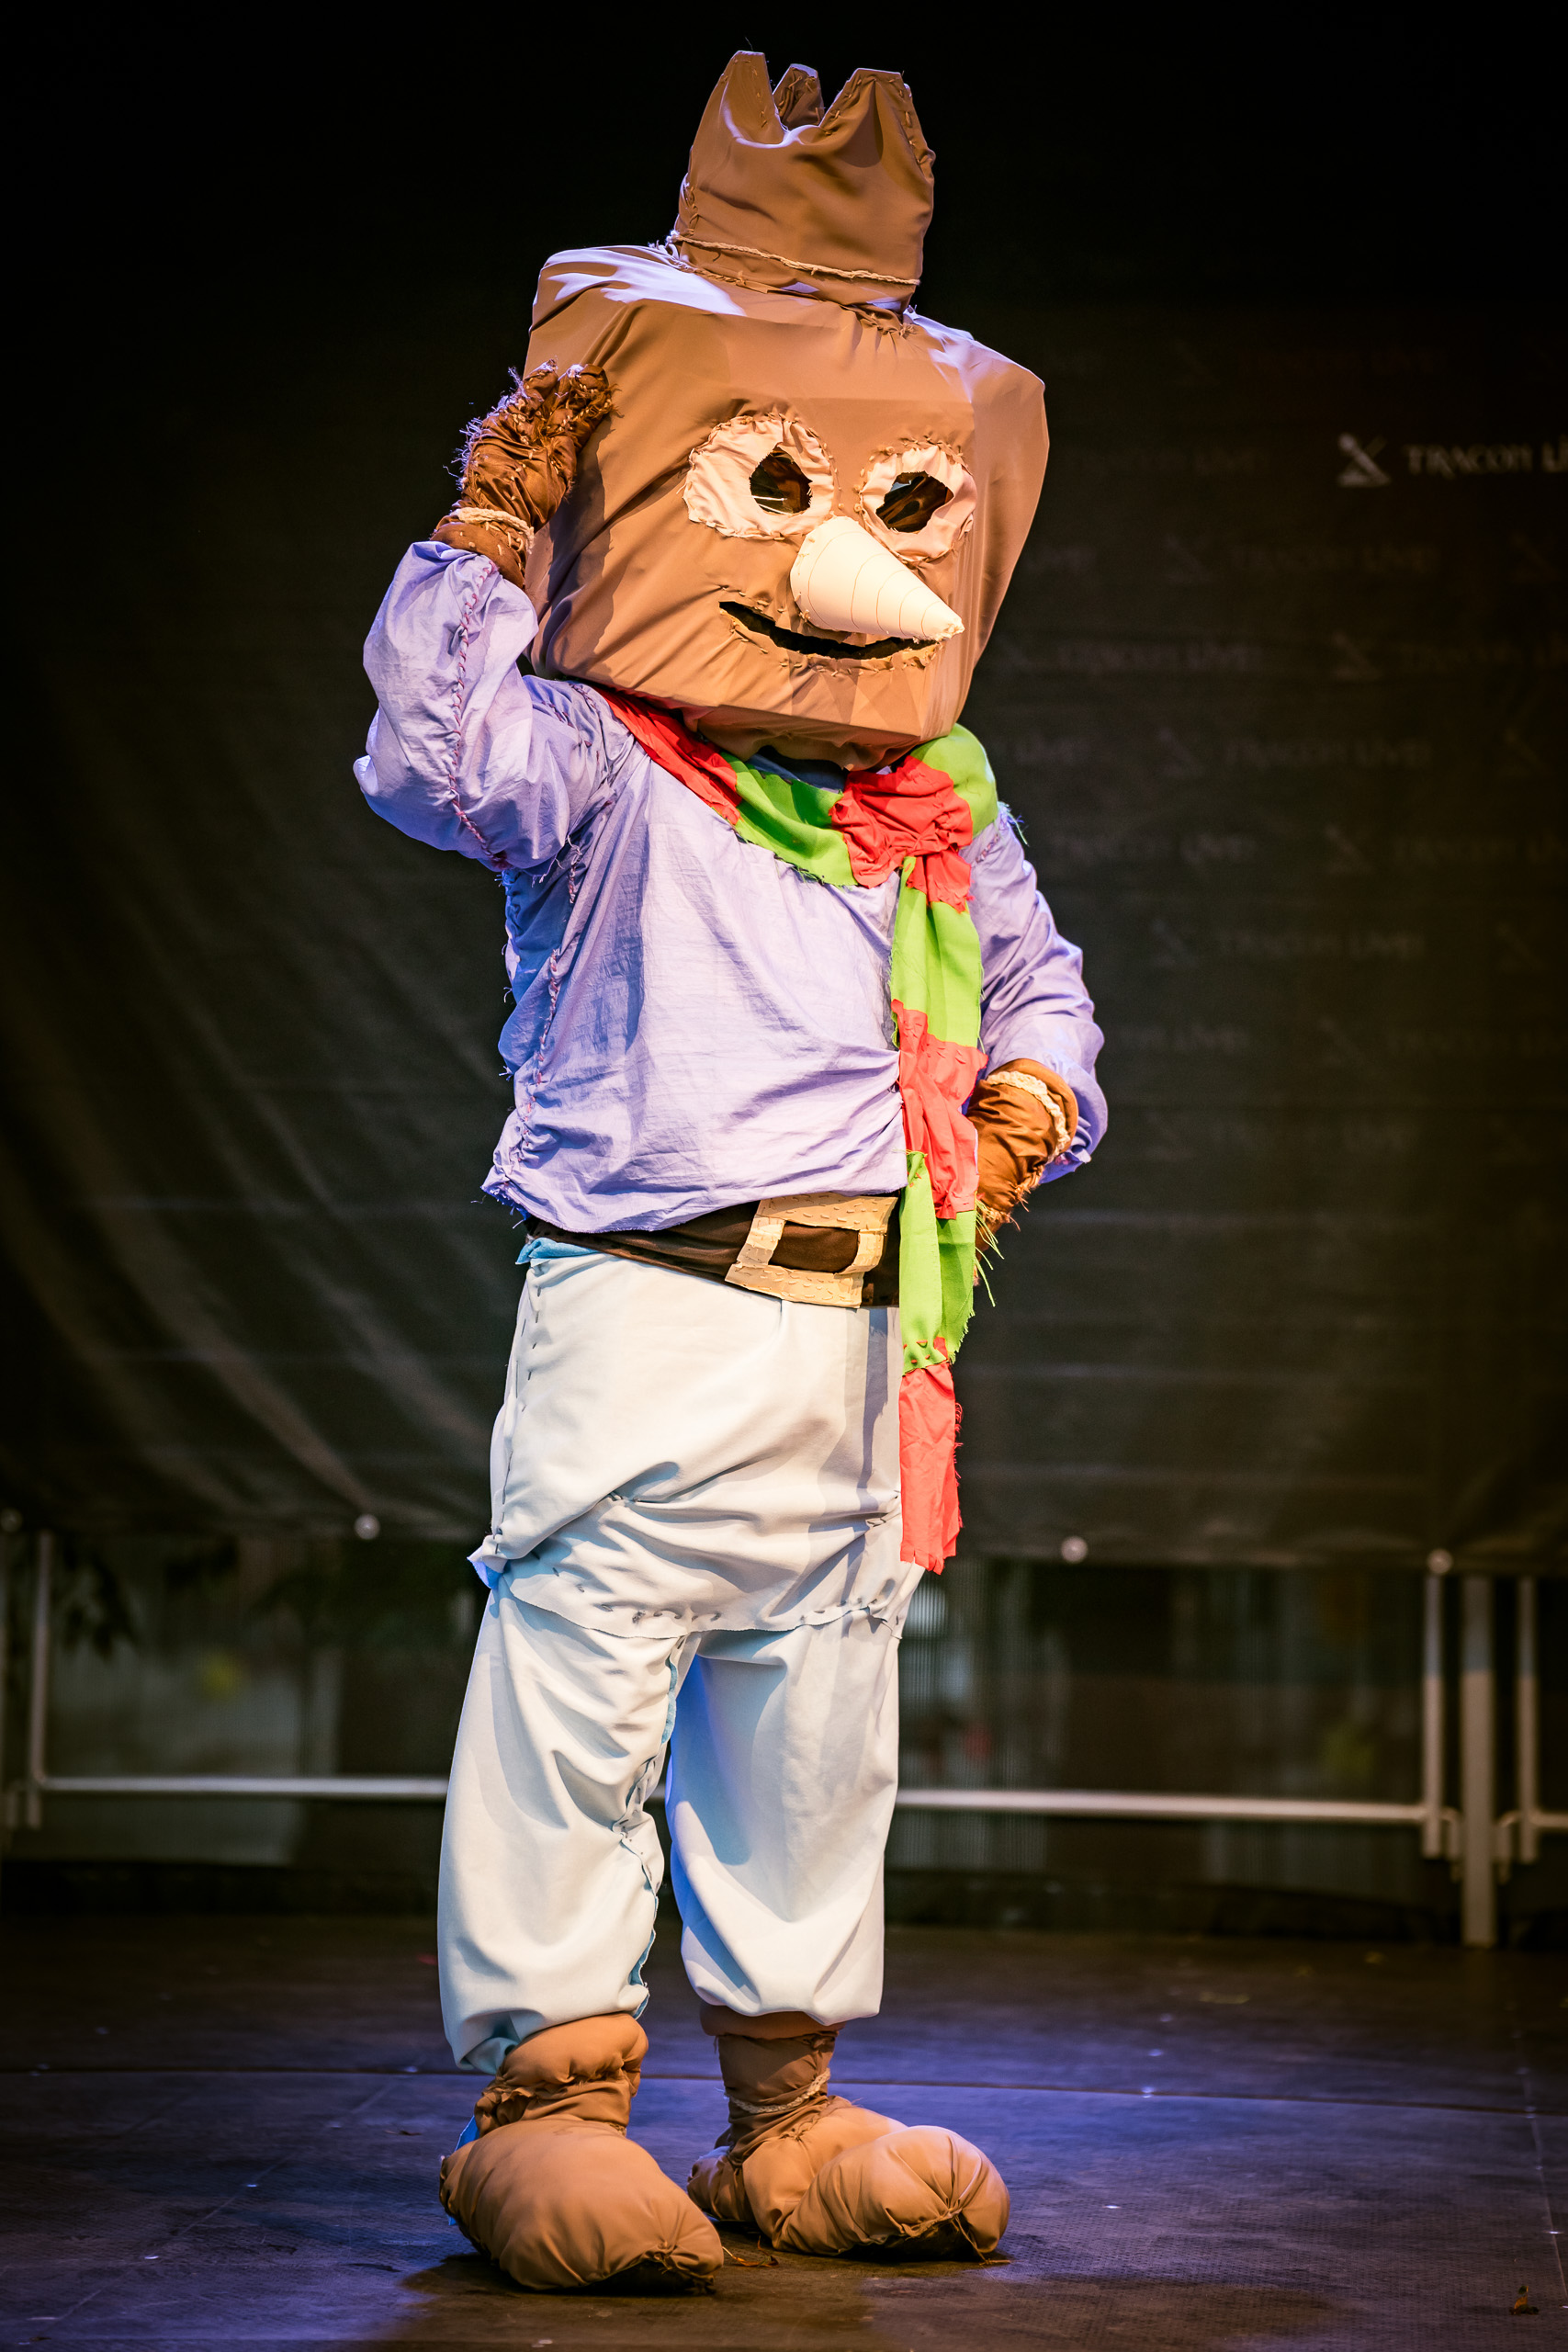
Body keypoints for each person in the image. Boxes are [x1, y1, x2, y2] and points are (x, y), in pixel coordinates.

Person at [355, 51, 1105, 2294]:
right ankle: (547, 2102)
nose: (846, 554)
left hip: (865, 1326)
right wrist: (498, 520)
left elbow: (1047, 990)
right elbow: (430, 750)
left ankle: (786, 2106)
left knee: (816, 1706)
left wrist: (1019, 1106)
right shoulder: (601, 761)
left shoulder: (928, 802)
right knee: (579, 1678)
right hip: (648, 1287)